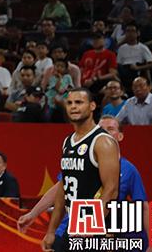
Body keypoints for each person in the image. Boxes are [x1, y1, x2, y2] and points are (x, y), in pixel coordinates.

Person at [19, 115, 149, 247]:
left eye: (110, 129)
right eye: (101, 128)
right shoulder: (82, 159)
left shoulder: (128, 169)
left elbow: (145, 207)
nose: (104, 132)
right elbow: (59, 189)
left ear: (120, 136)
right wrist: (33, 214)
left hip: (97, 235)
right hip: (66, 230)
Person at [41, 88, 120, 252]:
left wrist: (91, 223)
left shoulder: (103, 142)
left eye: (79, 102)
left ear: (92, 106)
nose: (73, 107)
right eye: (69, 103)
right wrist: (51, 231)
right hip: (74, 224)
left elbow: (111, 189)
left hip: (95, 228)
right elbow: (63, 189)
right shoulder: (68, 141)